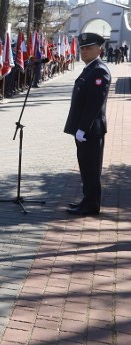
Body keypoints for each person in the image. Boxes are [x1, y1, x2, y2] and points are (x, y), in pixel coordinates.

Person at [64, 33, 111, 216]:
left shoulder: (99, 71)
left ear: (99, 49)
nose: (84, 51)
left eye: (88, 48)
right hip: (84, 130)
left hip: (91, 130)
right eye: (82, 48)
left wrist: (83, 128)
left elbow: (94, 105)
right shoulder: (90, 68)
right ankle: (87, 201)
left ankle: (91, 206)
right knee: (86, 169)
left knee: (91, 170)